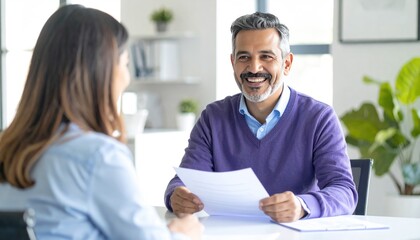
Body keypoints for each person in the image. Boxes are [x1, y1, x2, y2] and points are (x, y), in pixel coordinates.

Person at [0, 5, 203, 240]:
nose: (127, 78)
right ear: (102, 72)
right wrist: (180, 233)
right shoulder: (97, 156)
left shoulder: (8, 150)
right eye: (125, 64)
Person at [165, 12, 357, 223]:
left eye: (266, 56)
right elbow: (185, 181)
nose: (254, 68)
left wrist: (302, 206)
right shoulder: (213, 118)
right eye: (244, 57)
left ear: (287, 64)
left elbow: (344, 192)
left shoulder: (319, 118)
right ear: (233, 63)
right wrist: (176, 195)